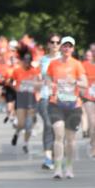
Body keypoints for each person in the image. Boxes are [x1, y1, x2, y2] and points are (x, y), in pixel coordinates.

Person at [46, 36, 87, 179]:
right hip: (56, 103)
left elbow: (85, 84)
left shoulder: (77, 64)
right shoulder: (53, 64)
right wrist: (49, 84)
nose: (67, 48)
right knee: (58, 135)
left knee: (70, 140)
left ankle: (69, 166)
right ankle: (57, 168)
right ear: (61, 48)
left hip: (73, 105)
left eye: (70, 46)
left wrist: (74, 81)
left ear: (73, 49)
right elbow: (47, 78)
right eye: (64, 46)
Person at [10, 45, 42, 153]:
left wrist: (37, 85)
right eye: (25, 60)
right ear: (22, 60)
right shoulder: (17, 71)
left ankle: (25, 143)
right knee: (21, 124)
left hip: (31, 98)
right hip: (21, 98)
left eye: (29, 60)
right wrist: (16, 88)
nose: (27, 62)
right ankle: (17, 133)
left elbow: (40, 83)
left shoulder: (35, 71)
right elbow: (11, 82)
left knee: (29, 125)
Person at [38, 34, 62, 170]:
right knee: (48, 124)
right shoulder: (43, 60)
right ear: (48, 44)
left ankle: (56, 154)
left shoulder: (64, 60)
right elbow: (41, 78)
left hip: (61, 98)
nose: (55, 45)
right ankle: (47, 157)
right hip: (45, 97)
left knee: (58, 127)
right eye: (52, 42)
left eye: (57, 42)